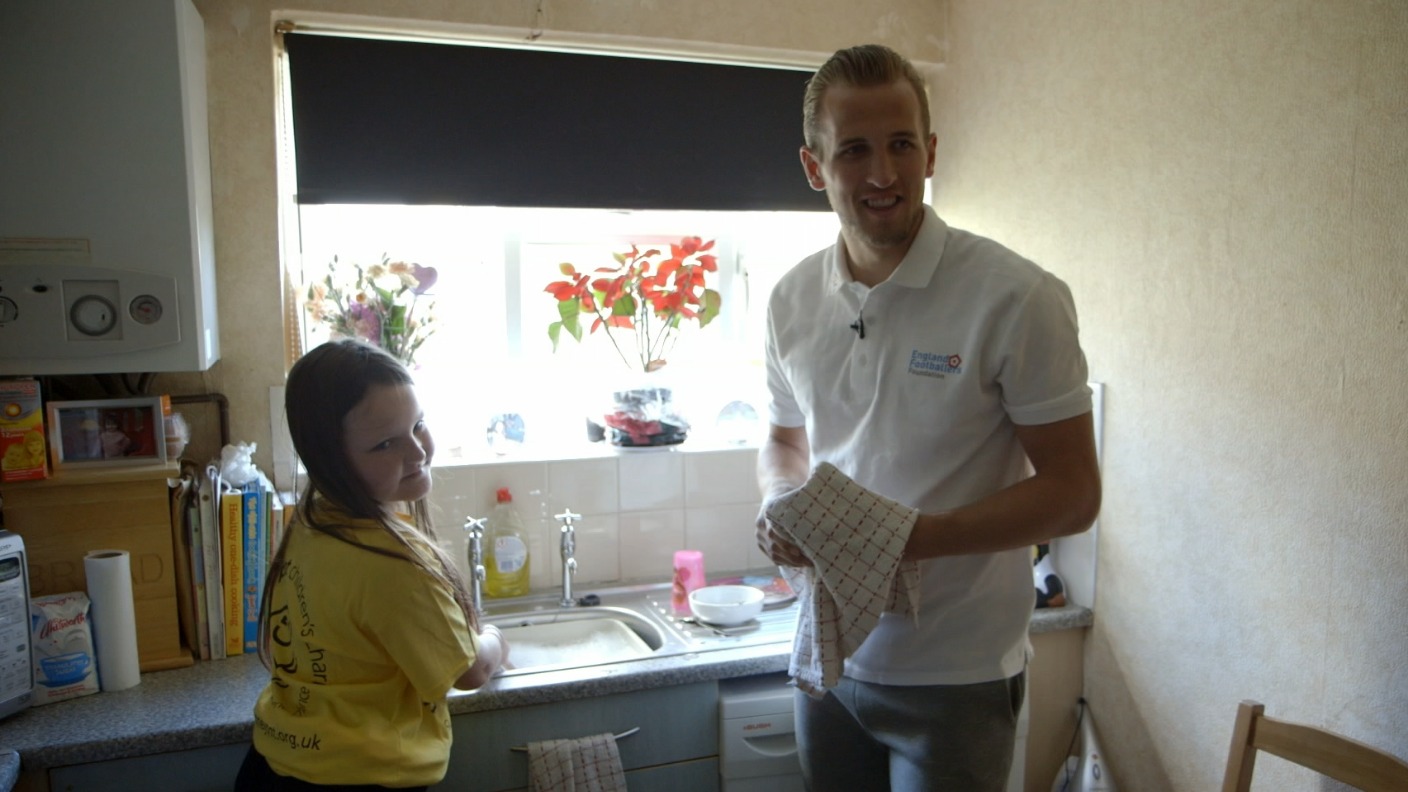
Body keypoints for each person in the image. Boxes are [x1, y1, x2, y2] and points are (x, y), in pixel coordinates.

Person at [755, 44, 1102, 791]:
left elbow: (1075, 494)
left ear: (931, 152)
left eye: (902, 145)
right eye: (854, 150)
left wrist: (905, 539)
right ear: (814, 166)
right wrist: (781, 500)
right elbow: (785, 439)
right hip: (828, 655)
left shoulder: (1016, 297)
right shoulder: (790, 300)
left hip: (959, 673)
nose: (883, 173)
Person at [235, 339, 507, 791]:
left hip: (273, 765)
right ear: (330, 460)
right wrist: (494, 639)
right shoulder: (394, 562)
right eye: (385, 444)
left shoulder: (312, 521)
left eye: (418, 425)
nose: (417, 452)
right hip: (358, 778)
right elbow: (470, 671)